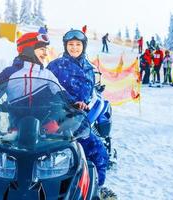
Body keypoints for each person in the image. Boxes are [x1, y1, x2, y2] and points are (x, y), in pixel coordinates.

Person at [47, 29, 116, 198]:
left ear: (83, 46)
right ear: (65, 46)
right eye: (71, 44)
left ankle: (95, 189)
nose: (74, 48)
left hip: (79, 119)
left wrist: (87, 102)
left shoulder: (88, 67)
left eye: (78, 45)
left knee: (99, 152)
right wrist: (70, 101)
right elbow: (48, 88)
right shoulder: (55, 65)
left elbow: (91, 90)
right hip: (58, 116)